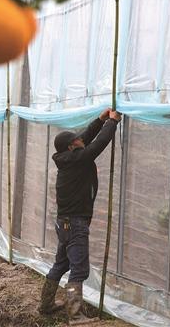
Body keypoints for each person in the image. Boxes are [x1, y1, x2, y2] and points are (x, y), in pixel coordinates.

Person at [38, 108, 122, 324]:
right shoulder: (79, 158)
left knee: (61, 264)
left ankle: (46, 304)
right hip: (74, 224)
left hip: (64, 223)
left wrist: (100, 120)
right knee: (79, 268)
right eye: (76, 140)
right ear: (71, 147)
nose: (80, 139)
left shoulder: (68, 156)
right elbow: (97, 145)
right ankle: (76, 316)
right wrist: (112, 123)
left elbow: (85, 138)